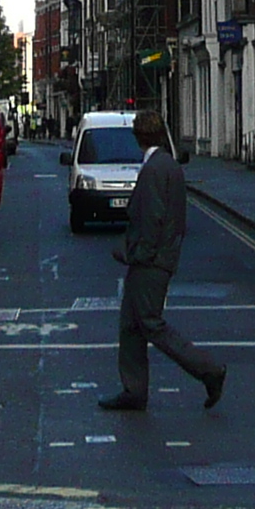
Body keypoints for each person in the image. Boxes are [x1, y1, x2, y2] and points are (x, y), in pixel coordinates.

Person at [101, 107, 224, 412]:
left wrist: (136, 255)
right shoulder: (164, 164)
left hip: (152, 262)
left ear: (137, 136)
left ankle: (209, 370)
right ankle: (134, 390)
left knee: (151, 325)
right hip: (154, 258)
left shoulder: (156, 168)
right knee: (130, 326)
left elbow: (153, 218)